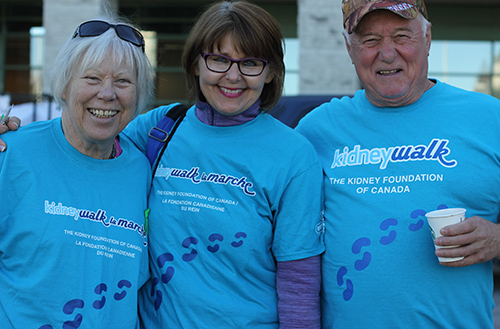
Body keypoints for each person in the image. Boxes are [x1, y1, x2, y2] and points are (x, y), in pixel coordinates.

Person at [295, 0, 500, 328]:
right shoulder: (315, 131)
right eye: (370, 40)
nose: (387, 53)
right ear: (349, 49)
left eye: (402, 36)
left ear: (427, 38)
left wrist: (496, 238)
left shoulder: (490, 118)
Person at [121, 1, 325, 328]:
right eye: (219, 59)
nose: (233, 76)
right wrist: (10, 140)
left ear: (271, 72)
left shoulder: (293, 155)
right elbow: (87, 151)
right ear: (197, 64)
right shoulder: (160, 128)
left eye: (251, 63)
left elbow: (298, 282)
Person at [0, 14, 154, 328]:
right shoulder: (11, 154)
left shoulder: (145, 170)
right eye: (92, 78)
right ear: (66, 84)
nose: (108, 94)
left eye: (123, 81)